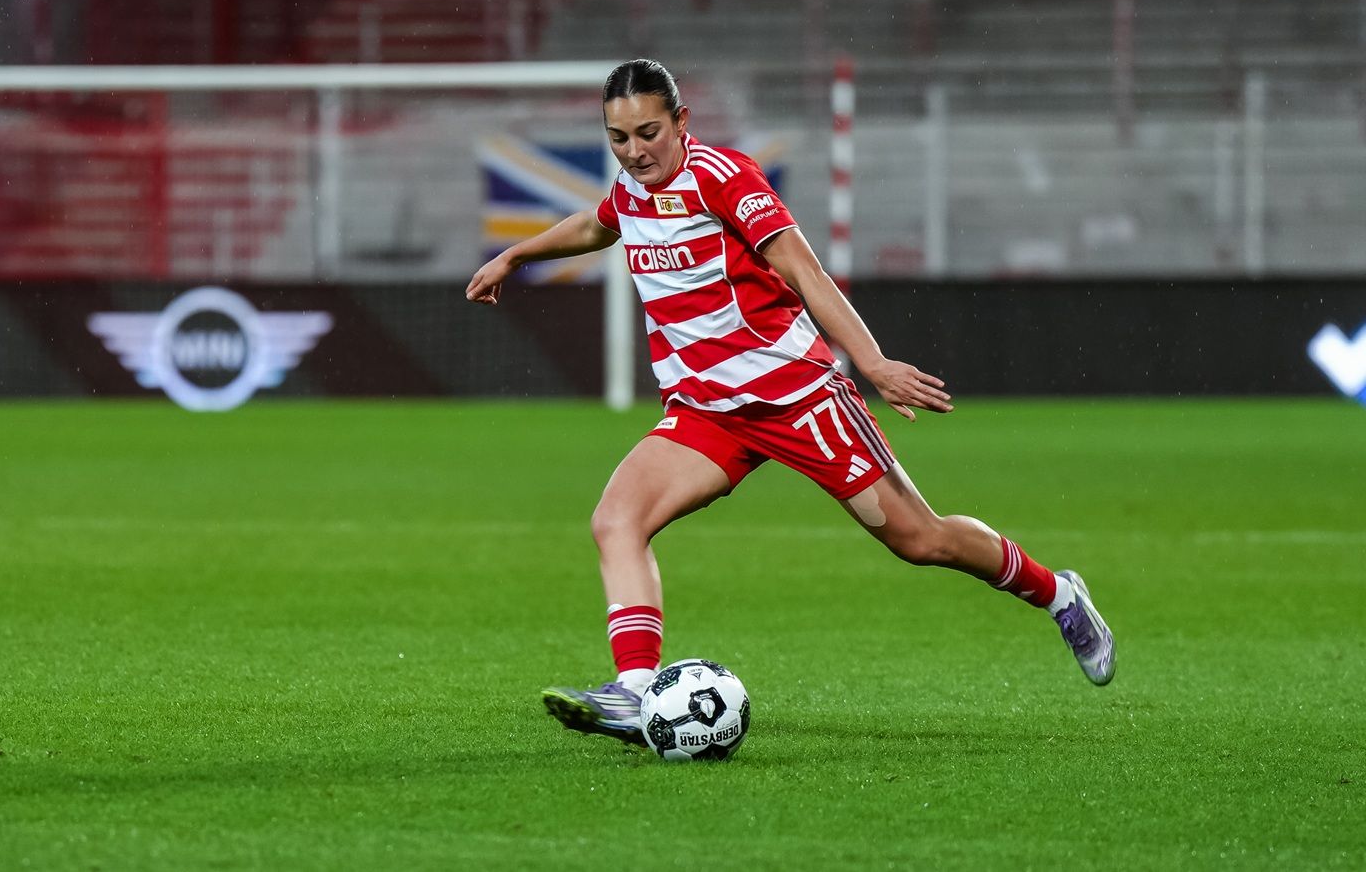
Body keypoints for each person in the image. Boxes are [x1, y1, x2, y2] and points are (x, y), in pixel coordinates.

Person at [465, 58, 1115, 746]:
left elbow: (803, 267)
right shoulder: (632, 190)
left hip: (798, 398)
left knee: (920, 539)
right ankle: (632, 691)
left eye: (648, 133)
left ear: (682, 121)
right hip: (707, 413)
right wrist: (516, 256)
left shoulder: (724, 178)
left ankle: (1058, 593)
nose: (634, 151)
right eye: (618, 138)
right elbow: (597, 225)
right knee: (616, 520)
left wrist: (871, 362)